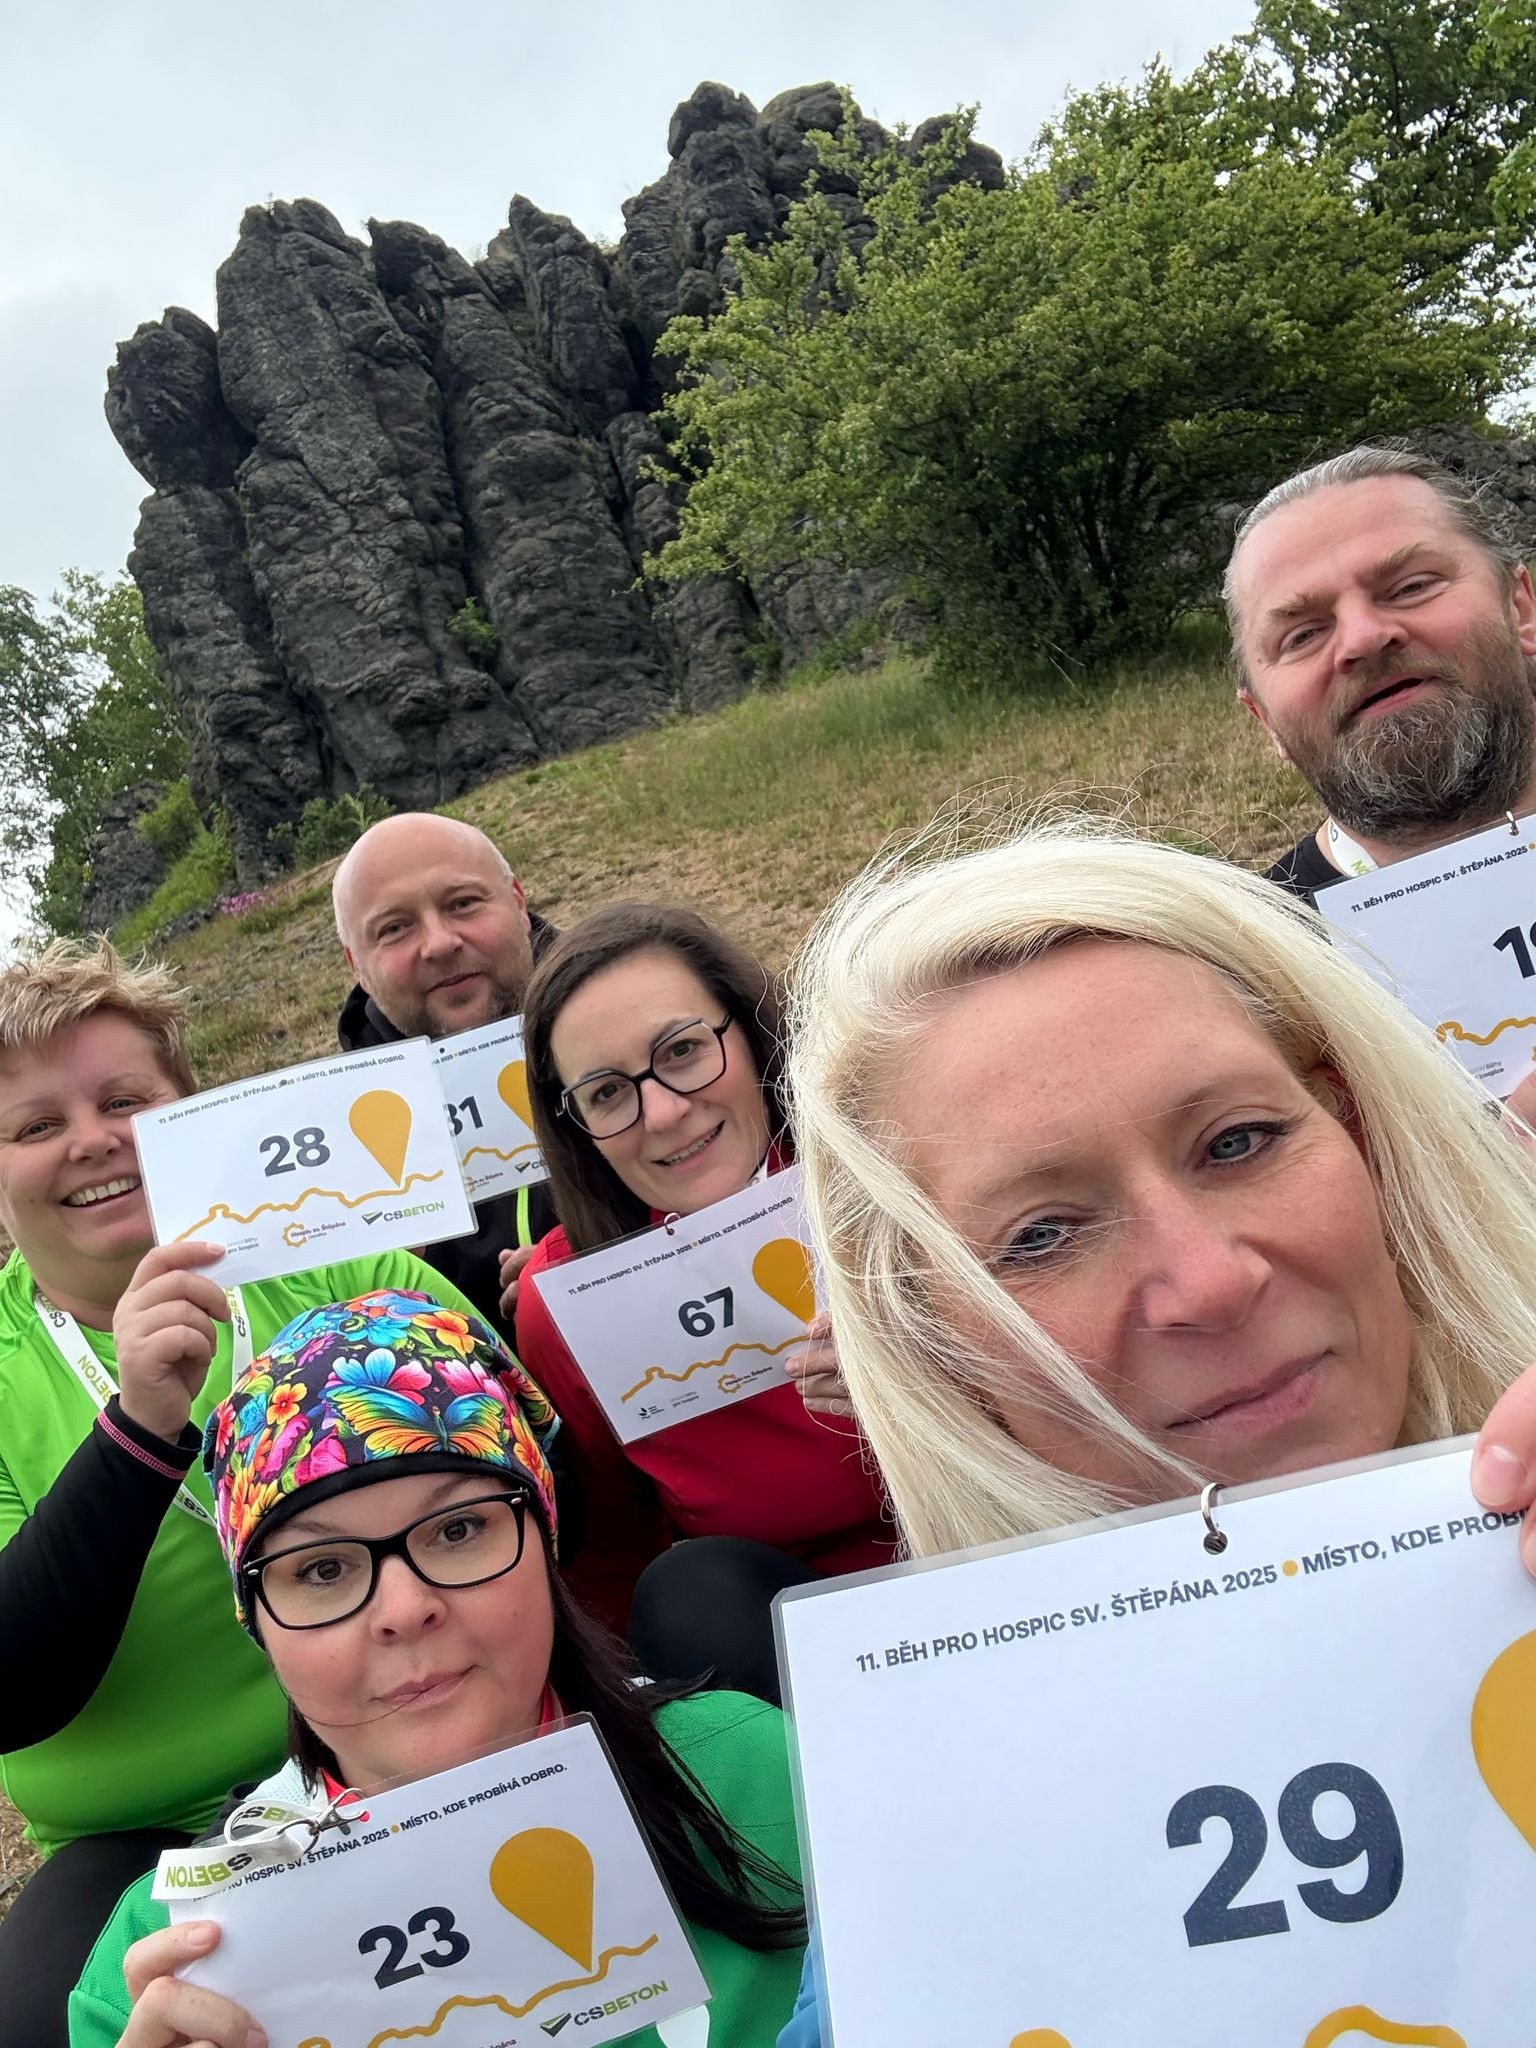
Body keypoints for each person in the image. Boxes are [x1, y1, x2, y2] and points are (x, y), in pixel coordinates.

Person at [774, 816, 1536, 2046]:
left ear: (1358, 1127)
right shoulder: (911, 1906)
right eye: (1043, 1234)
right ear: (931, 1341)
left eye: (1240, 1140)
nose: (1210, 1281)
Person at [70, 1289, 807, 2048]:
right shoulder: (165, 1968)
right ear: (257, 1622)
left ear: (545, 1542)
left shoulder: (763, 1772)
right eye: (323, 1569)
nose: (404, 1608)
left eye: (457, 1529)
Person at [0, 940, 497, 2048]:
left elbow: (538, 1500)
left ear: (189, 1111)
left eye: (123, 1100)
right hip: (144, 1835)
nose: (92, 1139)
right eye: (34, 1125)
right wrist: (137, 1429)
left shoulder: (348, 1264)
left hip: (427, 1735)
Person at [514, 903, 893, 1679]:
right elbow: (616, 1553)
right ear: (574, 1124)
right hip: (800, 1639)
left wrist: (926, 1393)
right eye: (607, 1093)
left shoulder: (891, 1163)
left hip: (1011, 1536)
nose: (662, 1112)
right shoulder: (567, 1301)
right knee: (690, 1593)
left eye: (683, 1050)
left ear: (750, 1034)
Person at [1226, 443, 1536, 904]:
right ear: (1265, 718)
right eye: (1303, 635)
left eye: (1411, 587)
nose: (1364, 638)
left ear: (1520, 610)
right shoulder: (1253, 948)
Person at [332, 812, 560, 1331]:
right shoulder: (333, 1147)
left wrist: (599, 1259)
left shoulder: (643, 1032)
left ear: (519, 903)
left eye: (463, 903)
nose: (438, 943)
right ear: (356, 965)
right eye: (394, 929)